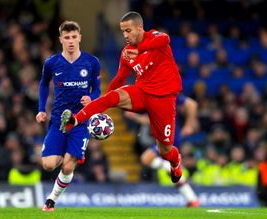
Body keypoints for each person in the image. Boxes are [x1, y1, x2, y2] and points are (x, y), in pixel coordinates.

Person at [60, 11, 183, 183]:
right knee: (111, 97)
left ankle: (176, 163)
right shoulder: (127, 52)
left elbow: (166, 39)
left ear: (140, 28)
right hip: (142, 93)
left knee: (165, 150)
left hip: (164, 99)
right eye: (122, 31)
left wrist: (140, 50)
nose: (125, 35)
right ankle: (74, 120)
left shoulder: (155, 37)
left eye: (128, 30)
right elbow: (119, 79)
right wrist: (104, 101)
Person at [35, 20, 101, 211]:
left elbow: (97, 90)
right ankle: (67, 158)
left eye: (74, 37)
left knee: (68, 167)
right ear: (61, 39)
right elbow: (44, 84)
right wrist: (41, 109)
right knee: (48, 165)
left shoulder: (92, 62)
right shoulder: (52, 63)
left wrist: (91, 98)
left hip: (81, 121)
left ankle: (51, 200)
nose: (71, 41)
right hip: (57, 120)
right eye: (67, 37)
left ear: (79, 37)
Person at [125, 94, 200, 207]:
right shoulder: (151, 98)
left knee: (146, 158)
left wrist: (189, 125)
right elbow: (149, 120)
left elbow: (192, 104)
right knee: (165, 168)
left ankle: (173, 167)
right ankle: (192, 199)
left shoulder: (166, 94)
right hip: (164, 137)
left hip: (170, 136)